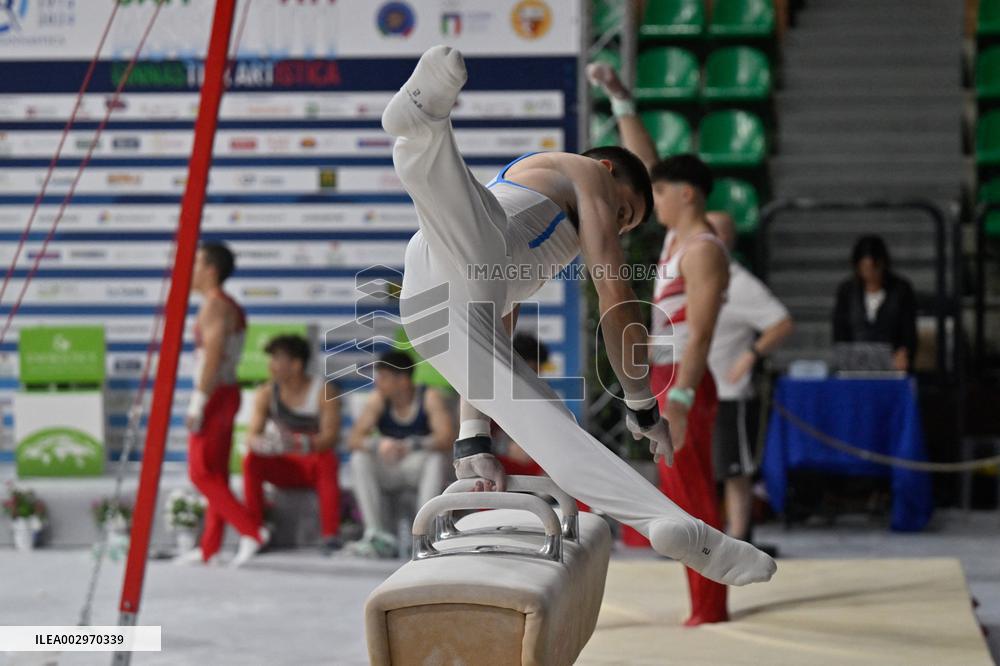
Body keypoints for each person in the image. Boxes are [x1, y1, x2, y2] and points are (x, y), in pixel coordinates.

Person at [380, 45, 774, 590]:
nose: (618, 225)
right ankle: (422, 129)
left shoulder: (550, 249)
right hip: (471, 251)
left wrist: (474, 438)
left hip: (436, 313)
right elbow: (615, 293)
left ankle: (674, 524)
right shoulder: (584, 171)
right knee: (474, 234)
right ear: (609, 172)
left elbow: (496, 321)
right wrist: (640, 400)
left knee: (552, 428)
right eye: (623, 211)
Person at [589, 61, 735, 625]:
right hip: (663, 377)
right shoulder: (679, 233)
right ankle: (704, 599)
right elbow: (646, 165)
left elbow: (700, 331)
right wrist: (621, 99)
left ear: (689, 195)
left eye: (664, 191)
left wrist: (681, 395)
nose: (654, 198)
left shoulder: (703, 248)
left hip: (683, 381)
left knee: (693, 495)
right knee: (677, 495)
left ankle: (711, 605)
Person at [176, 242, 267, 566]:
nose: (190, 269)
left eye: (196, 262)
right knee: (215, 473)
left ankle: (252, 531)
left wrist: (197, 404)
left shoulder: (215, 306)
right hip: (225, 392)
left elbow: (212, 357)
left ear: (211, 270)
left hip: (215, 394)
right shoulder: (226, 304)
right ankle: (209, 547)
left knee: (200, 473)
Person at [706, 212, 794, 545]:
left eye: (717, 231)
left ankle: (741, 537)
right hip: (692, 388)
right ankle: (700, 539)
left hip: (728, 391)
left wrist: (751, 355)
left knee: (734, 470)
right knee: (700, 470)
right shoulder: (686, 274)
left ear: (729, 239)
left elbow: (781, 323)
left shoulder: (740, 284)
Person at [241, 334, 343, 563]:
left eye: (277, 359)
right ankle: (255, 531)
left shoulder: (324, 391)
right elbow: (252, 434)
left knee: (327, 459)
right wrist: (262, 444)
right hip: (284, 464)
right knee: (252, 460)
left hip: (312, 465)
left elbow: (330, 436)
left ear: (296, 365)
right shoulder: (266, 393)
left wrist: (298, 443)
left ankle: (330, 534)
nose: (271, 366)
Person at [346, 350, 455, 558]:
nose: (378, 383)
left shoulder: (429, 396)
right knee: (359, 458)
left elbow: (446, 437)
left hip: (418, 466)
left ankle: (426, 533)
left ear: (403, 380)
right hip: (391, 466)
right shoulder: (378, 400)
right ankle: (377, 535)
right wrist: (378, 444)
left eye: (384, 378)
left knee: (435, 459)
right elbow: (354, 440)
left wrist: (412, 445)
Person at [833, 234, 918, 371]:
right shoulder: (847, 291)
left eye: (874, 268)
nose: (870, 274)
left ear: (883, 264)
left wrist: (904, 352)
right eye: (865, 268)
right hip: (856, 361)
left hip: (892, 360)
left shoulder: (901, 289)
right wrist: (845, 358)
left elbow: (908, 329)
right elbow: (840, 331)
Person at [492, 333, 548, 477]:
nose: (534, 375)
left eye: (536, 371)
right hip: (495, 462)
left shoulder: (540, 394)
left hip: (533, 463)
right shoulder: (493, 392)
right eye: (531, 370)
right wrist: (507, 449)